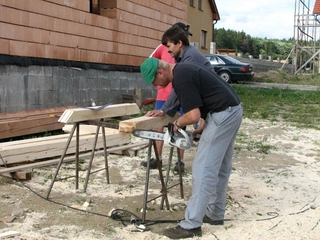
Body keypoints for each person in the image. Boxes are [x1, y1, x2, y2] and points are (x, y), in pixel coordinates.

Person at [140, 57, 243, 239]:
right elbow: (203, 96)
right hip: (232, 109)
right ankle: (215, 214)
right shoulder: (183, 70)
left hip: (222, 114)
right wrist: (166, 112)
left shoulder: (181, 78)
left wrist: (177, 124)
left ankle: (192, 224)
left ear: (160, 73)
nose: (157, 86)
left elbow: (193, 115)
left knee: (202, 169)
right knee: (221, 167)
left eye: (155, 81)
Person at [144, 24, 213, 172]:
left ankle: (181, 162)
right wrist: (164, 110)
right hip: (214, 105)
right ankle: (158, 158)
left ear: (179, 43)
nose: (168, 51)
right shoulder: (183, 57)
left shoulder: (188, 60)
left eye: (169, 46)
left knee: (207, 165)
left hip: (217, 107)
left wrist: (177, 120)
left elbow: (181, 90)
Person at [140, 22, 192, 172]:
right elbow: (149, 63)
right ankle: (158, 158)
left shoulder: (186, 52)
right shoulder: (162, 48)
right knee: (159, 124)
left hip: (181, 92)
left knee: (181, 125)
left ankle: (180, 161)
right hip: (164, 94)